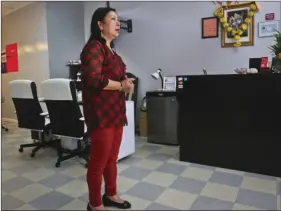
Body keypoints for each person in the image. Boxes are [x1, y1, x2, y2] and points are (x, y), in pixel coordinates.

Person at [80, 7, 134, 211]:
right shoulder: (94, 47)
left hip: (115, 112)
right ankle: (95, 204)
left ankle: (110, 194)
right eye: (112, 19)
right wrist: (121, 85)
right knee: (98, 161)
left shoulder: (112, 51)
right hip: (101, 114)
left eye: (118, 19)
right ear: (100, 25)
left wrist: (127, 81)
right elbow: (93, 79)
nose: (117, 22)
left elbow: (119, 76)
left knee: (112, 157)